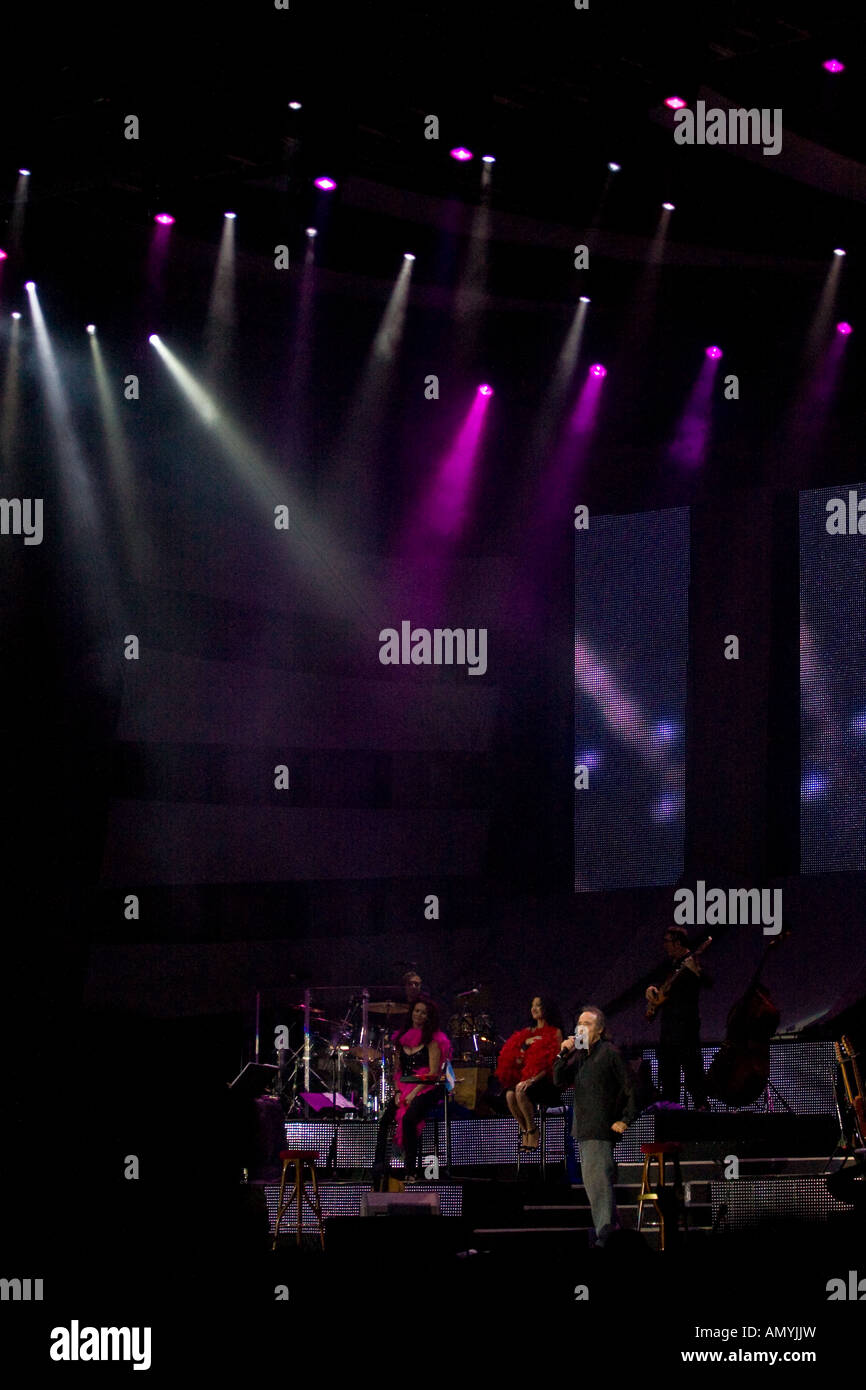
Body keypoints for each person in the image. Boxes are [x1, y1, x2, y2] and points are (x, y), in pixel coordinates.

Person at [553, 1006, 637, 1247]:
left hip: (599, 1130)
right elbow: (559, 1080)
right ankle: (613, 1236)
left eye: (587, 1024)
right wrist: (563, 1054)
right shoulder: (579, 1057)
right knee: (597, 1188)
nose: (581, 1027)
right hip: (584, 1131)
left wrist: (626, 1119)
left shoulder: (609, 1053)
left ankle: (606, 1238)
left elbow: (633, 1088)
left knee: (599, 1188)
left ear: (599, 1030)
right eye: (579, 1022)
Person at [646, 927, 711, 1110]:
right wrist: (652, 991)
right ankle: (671, 1120)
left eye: (667, 941)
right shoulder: (671, 965)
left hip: (686, 1028)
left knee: (693, 1075)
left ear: (678, 943)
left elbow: (708, 981)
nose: (664, 946)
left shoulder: (693, 961)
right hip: (668, 1029)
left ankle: (702, 1112)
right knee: (669, 1079)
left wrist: (697, 971)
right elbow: (661, 988)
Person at [393, 999, 452, 1180]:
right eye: (416, 1011)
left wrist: (413, 1092)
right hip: (405, 1086)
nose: (419, 1015)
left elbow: (433, 1073)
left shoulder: (433, 1039)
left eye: (423, 1012)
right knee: (385, 1119)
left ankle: (409, 1170)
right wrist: (397, 1092)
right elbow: (397, 1071)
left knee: (410, 1118)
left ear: (428, 1017)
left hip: (429, 1086)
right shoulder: (401, 1038)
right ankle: (378, 1170)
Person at [496, 996, 564, 1148]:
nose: (534, 1009)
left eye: (538, 1005)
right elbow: (516, 1060)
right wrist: (524, 1046)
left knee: (520, 1090)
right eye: (532, 1005)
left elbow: (553, 1063)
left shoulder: (555, 1032)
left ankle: (533, 1130)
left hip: (545, 1081)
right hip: (526, 1080)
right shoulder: (527, 1033)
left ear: (546, 1008)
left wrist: (533, 1079)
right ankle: (525, 1129)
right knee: (509, 1094)